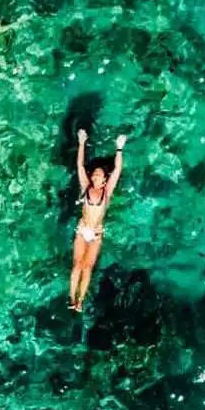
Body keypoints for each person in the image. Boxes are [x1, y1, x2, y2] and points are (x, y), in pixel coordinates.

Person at [69, 128, 127, 312]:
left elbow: (117, 169)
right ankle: (71, 298)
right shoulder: (86, 187)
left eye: (99, 174)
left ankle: (80, 301)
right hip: (82, 229)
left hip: (96, 233)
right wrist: (81, 144)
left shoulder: (106, 192)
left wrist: (119, 148)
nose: (94, 175)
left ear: (104, 180)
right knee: (77, 264)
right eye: (93, 173)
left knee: (87, 268)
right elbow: (79, 166)